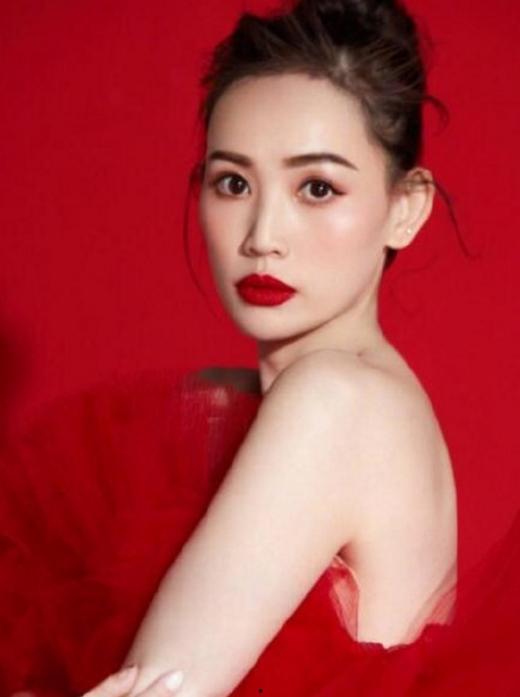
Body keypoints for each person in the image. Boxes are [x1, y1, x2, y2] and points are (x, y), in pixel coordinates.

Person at [1, 0, 519, 696]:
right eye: (234, 182)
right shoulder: (268, 403)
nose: (262, 235)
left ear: (406, 207)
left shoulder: (336, 401)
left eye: (317, 187)